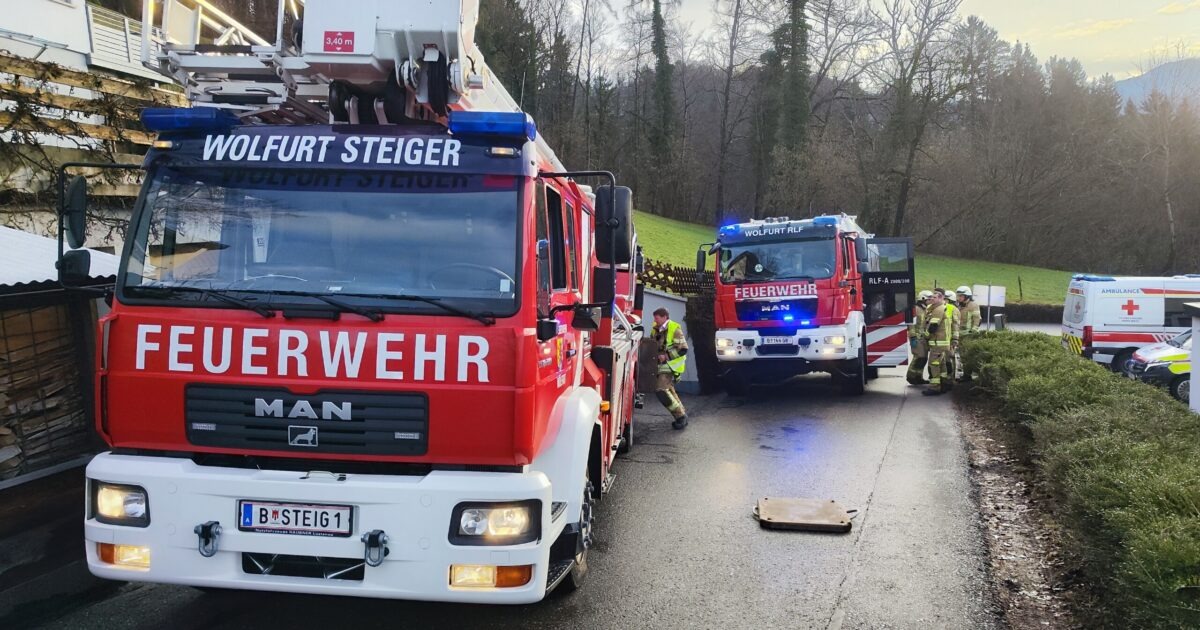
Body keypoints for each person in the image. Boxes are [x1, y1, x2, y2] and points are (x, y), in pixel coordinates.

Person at [652, 307, 690, 429]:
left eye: (657, 318)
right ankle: (682, 415)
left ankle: (680, 417)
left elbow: (683, 349)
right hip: (660, 366)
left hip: (671, 365)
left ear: (664, 317)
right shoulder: (655, 328)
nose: (655, 320)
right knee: (668, 390)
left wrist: (666, 356)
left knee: (661, 390)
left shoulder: (675, 329)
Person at [922, 290, 955, 396]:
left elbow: (933, 327)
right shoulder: (939, 308)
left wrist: (925, 336)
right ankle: (944, 385)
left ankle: (934, 388)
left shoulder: (938, 309)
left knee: (934, 364)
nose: (932, 299)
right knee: (942, 365)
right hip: (942, 343)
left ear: (941, 298)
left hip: (938, 343)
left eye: (935, 297)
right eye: (931, 297)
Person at [906, 290, 935, 385]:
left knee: (924, 358)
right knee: (919, 357)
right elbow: (911, 324)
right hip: (916, 338)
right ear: (923, 299)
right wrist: (913, 336)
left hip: (923, 338)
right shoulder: (916, 309)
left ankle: (919, 377)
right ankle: (911, 376)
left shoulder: (925, 309)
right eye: (929, 299)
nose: (931, 301)